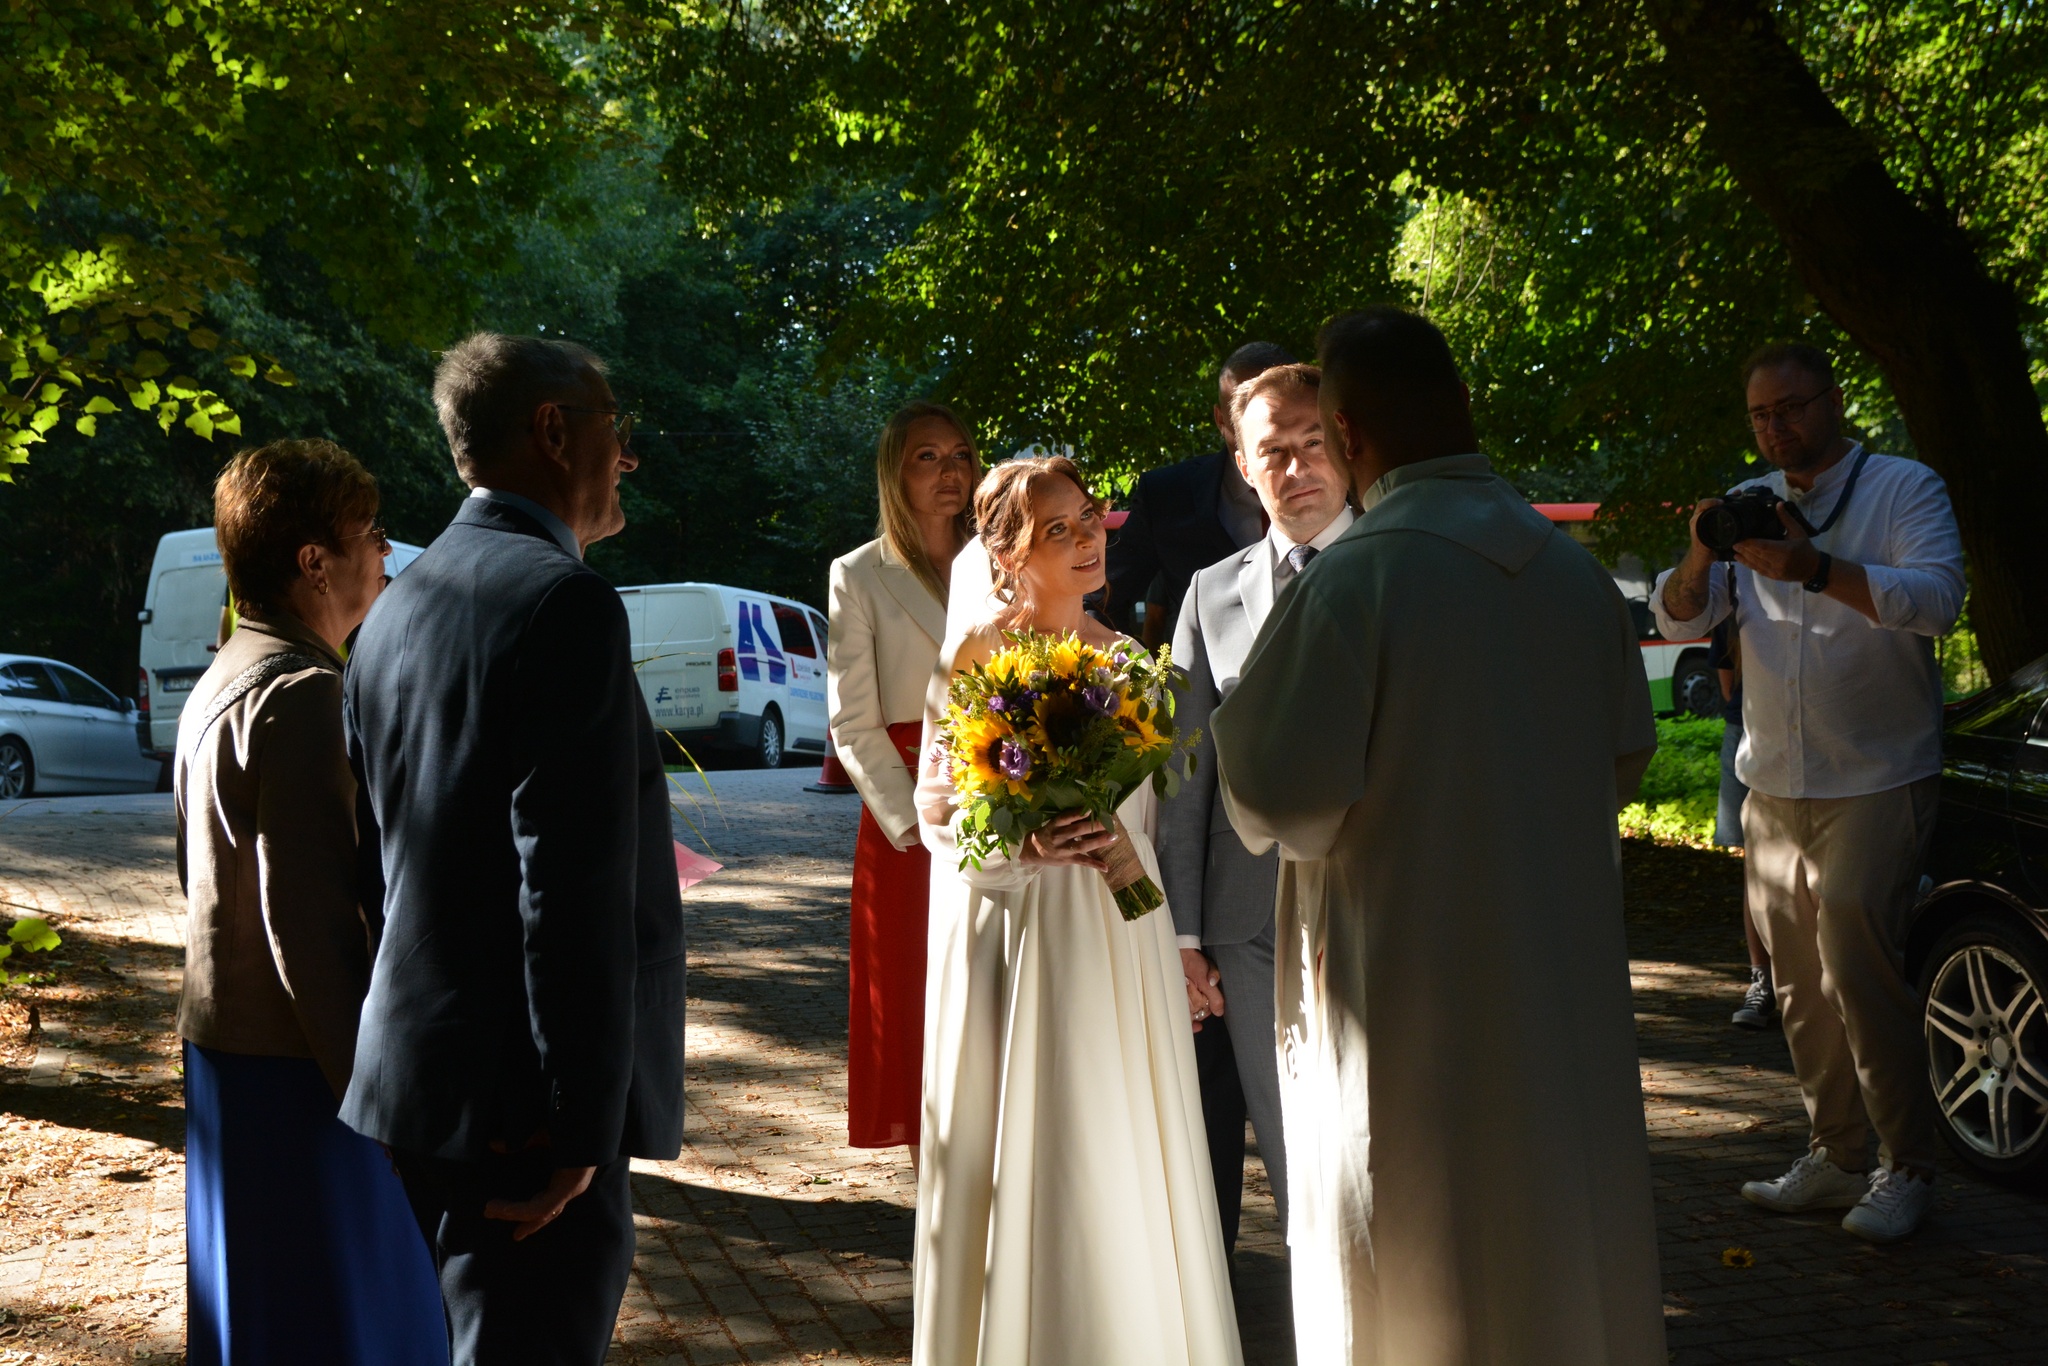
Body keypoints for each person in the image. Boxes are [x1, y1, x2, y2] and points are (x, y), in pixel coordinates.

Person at [1213, 307, 1666, 1365]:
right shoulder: (1570, 575)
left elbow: (1274, 794)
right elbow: (1622, 757)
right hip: (1556, 983)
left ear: (1348, 432)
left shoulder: (1356, 577)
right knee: (1557, 1239)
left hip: (1405, 988)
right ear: (1462, 404)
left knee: (1413, 1244)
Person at [342, 333, 687, 1364]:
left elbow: (378, 863)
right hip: (523, 1107)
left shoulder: (393, 609)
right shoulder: (561, 602)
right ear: (553, 431)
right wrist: (580, 1125)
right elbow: (567, 885)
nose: (628, 455)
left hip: (424, 1082)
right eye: (616, 427)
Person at [912, 456, 1242, 1366]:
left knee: (1113, 1138)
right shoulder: (974, 654)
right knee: (1028, 1137)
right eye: (1056, 529)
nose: (1088, 537)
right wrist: (1023, 845)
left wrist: (1159, 915)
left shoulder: (1131, 661)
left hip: (1116, 935)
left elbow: (1161, 819)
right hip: (1014, 932)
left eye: (1089, 517)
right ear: (1008, 555)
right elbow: (935, 808)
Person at [1654, 341, 1965, 1243]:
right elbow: (1678, 616)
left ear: (1833, 401)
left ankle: (1908, 1167)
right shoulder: (1751, 501)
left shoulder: (1904, 488)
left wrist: (1817, 570)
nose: (1775, 427)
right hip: (1774, 785)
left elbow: (1939, 601)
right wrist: (1700, 550)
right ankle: (1837, 1156)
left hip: (1877, 775)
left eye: (1790, 408)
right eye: (1760, 414)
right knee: (1796, 987)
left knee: (1860, 976)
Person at [175, 439, 445, 1366]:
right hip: (304, 1074)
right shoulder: (305, 696)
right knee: (338, 1323)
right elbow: (313, 926)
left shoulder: (223, 676)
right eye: (369, 532)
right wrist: (377, 1099)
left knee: (260, 1317)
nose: (385, 551)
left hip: (230, 1059)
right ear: (313, 561)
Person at [1159, 362, 1351, 1260]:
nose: (1297, 468)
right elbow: (1184, 773)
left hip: (1380, 908)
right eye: (1275, 451)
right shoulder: (1210, 591)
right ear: (1243, 464)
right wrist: (1184, 934)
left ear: (1346, 444)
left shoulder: (1398, 567)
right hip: (1247, 930)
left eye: (1315, 443)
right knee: (1290, 1157)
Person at [828, 401, 981, 1156]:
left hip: (1007, 797)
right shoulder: (858, 573)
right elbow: (852, 722)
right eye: (929, 457)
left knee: (993, 1004)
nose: (950, 471)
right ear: (896, 469)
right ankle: (935, 1204)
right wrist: (920, 823)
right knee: (918, 1005)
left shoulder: (1002, 560)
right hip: (909, 825)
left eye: (960, 455)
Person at [1105, 342, 1296, 643]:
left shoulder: (1344, 483)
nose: (1263, 426)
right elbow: (1102, 596)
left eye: (1278, 410)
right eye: (1242, 410)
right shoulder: (1167, 497)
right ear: (1221, 419)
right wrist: (1125, 666)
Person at [1713, 621, 1776, 1029]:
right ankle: (1763, 980)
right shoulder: (1732, 603)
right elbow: (1728, 687)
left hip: (1794, 729)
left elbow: (1727, 687)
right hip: (1747, 732)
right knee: (1755, 866)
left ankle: (1772, 981)